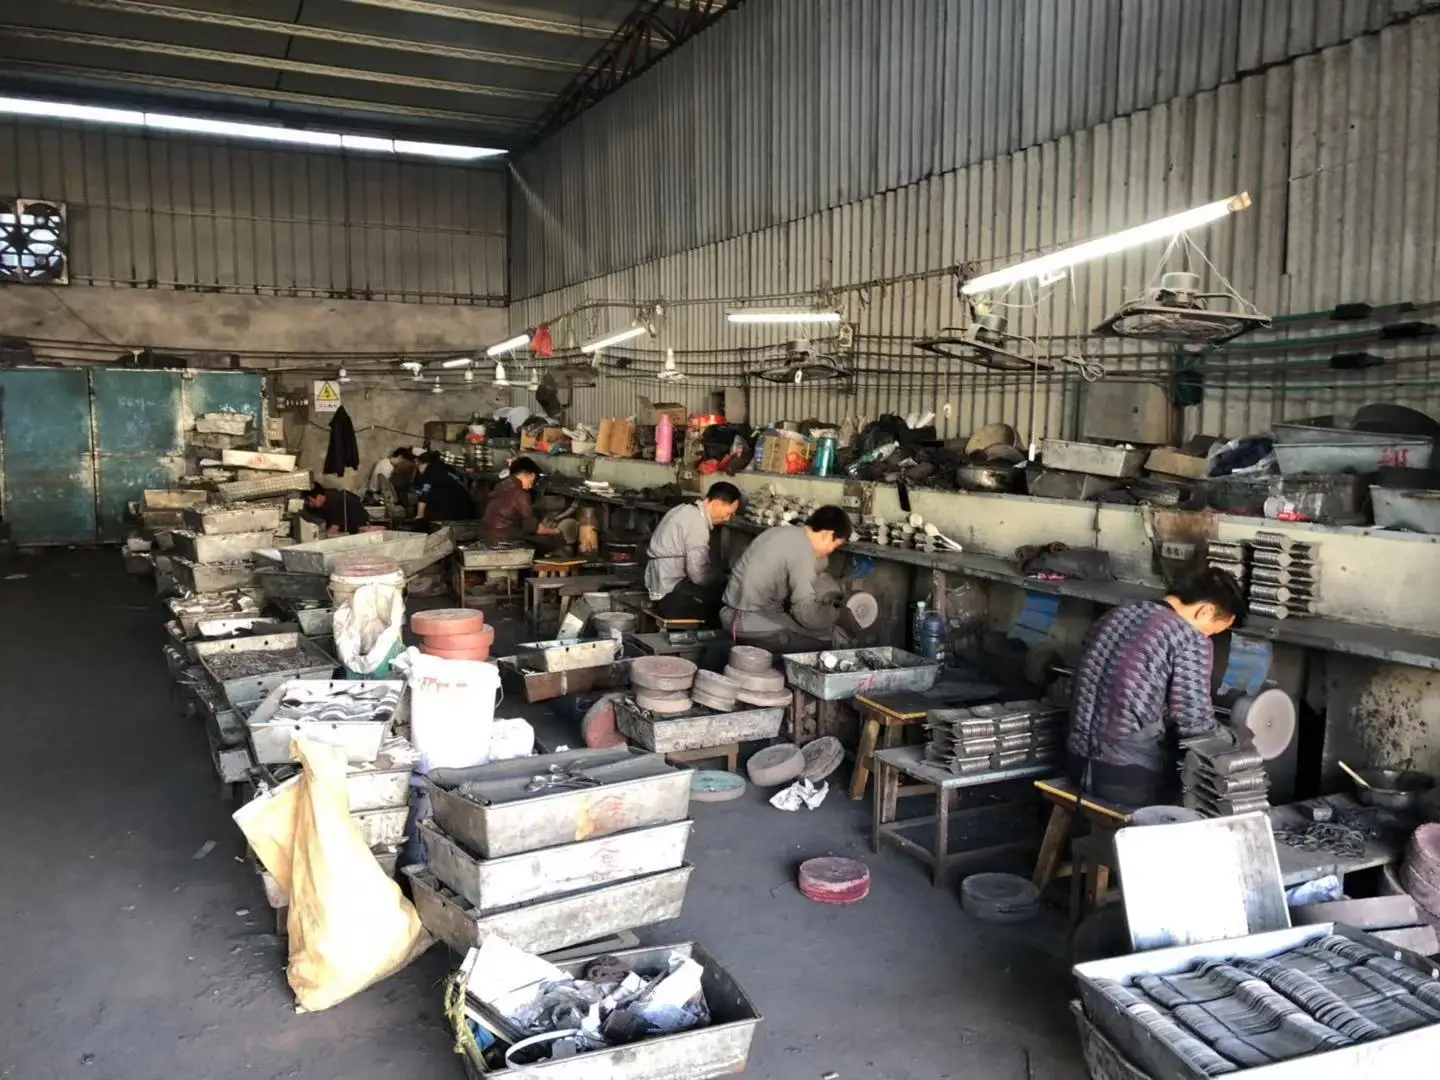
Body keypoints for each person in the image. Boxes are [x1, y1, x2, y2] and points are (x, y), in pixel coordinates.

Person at [1065, 567, 1248, 807]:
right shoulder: (1189, 639)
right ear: (1206, 611)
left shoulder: (1116, 615)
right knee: (1201, 795)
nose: (1208, 637)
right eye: (1212, 631)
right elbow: (1195, 726)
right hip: (1126, 779)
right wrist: (1236, 738)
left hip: (1075, 763)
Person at [720, 505, 853, 650]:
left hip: (729, 613)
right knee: (827, 639)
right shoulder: (803, 549)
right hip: (751, 622)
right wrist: (833, 615)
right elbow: (805, 614)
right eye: (836, 545)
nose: (831, 550)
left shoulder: (780, 532)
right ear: (827, 535)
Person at [645, 482, 743, 623]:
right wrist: (721, 579)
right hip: (670, 594)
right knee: (723, 611)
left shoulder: (684, 509)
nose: (727, 518)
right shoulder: (697, 523)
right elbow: (698, 575)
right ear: (717, 503)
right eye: (729, 513)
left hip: (658, 583)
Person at [480, 456, 566, 554]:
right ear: (529, 475)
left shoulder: (501, 484)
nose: (531, 486)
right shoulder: (521, 494)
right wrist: (555, 531)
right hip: (505, 539)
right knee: (556, 540)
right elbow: (534, 528)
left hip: (487, 534)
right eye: (532, 481)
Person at [411, 451, 474, 525]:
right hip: (464, 510)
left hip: (450, 513)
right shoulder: (443, 469)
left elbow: (424, 496)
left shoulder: (430, 471)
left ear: (422, 463)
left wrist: (419, 517)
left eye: (418, 465)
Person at [303, 483, 367, 535]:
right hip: (345, 529)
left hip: (358, 527)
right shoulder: (318, 506)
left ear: (319, 497)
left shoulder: (334, 500)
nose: (310, 504)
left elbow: (334, 529)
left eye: (310, 501)